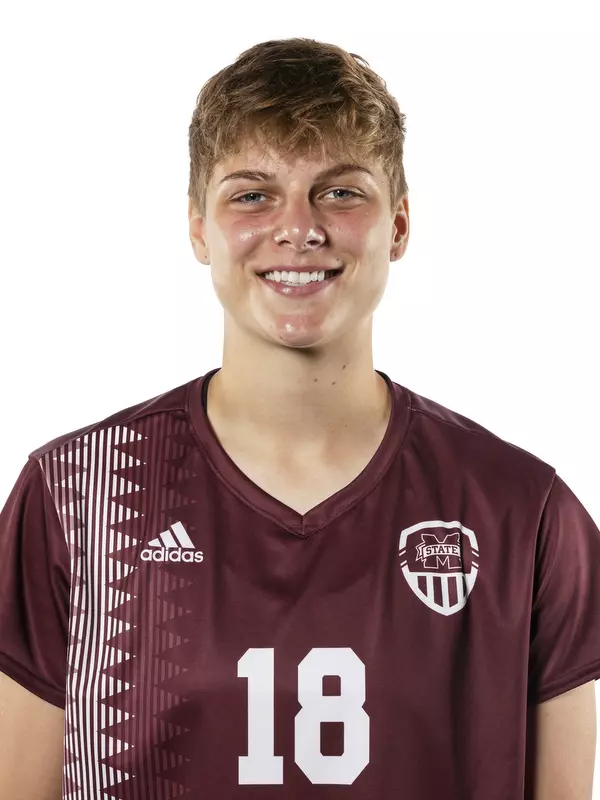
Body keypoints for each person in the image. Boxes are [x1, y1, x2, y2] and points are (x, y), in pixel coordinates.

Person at [0, 36, 598, 800]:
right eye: (252, 194)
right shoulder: (79, 497)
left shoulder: (524, 512)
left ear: (400, 224)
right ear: (197, 228)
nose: (298, 228)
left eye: (340, 192)